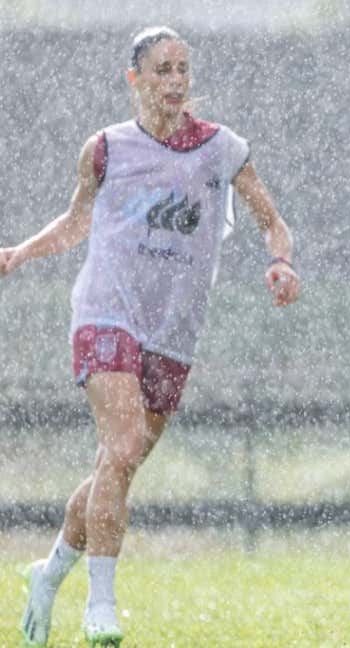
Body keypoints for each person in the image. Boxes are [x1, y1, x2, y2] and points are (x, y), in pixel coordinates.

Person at [2, 27, 300, 647]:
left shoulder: (222, 149)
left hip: (173, 332)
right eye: (162, 70)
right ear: (134, 78)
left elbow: (273, 222)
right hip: (105, 313)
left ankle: (50, 570)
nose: (175, 81)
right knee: (126, 440)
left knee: (119, 462)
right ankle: (101, 607)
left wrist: (282, 263)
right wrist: (20, 254)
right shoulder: (106, 149)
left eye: (183, 69)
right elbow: (75, 223)